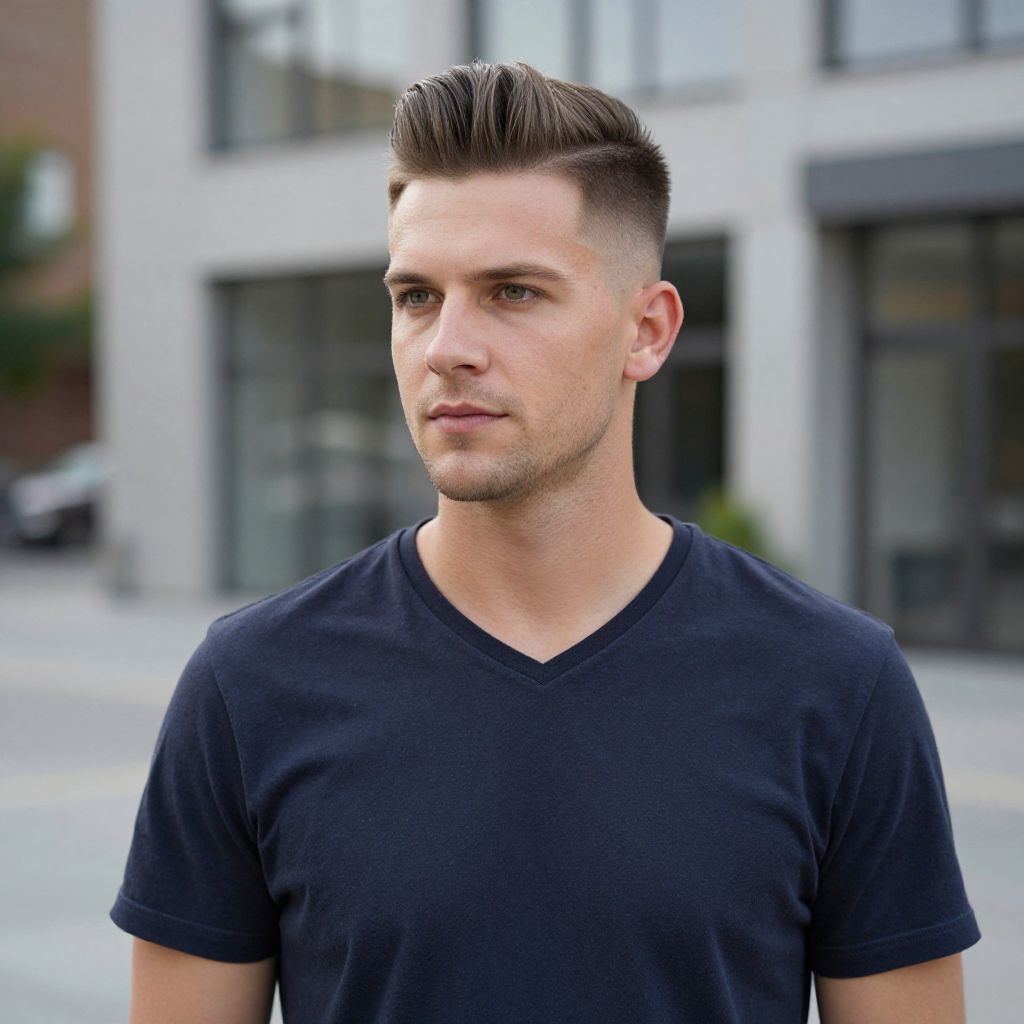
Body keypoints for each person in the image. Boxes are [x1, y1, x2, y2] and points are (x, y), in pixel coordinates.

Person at [111, 61, 980, 1023]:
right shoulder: (251, 684)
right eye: (416, 297)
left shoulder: (835, 685)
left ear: (645, 331)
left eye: (513, 292)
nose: (448, 346)